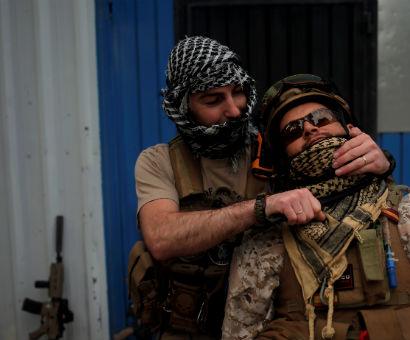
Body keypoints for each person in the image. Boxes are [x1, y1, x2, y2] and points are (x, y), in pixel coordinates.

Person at [129, 37, 392, 339]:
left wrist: (381, 163)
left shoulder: (279, 148)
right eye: (213, 100)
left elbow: (352, 189)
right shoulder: (159, 162)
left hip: (271, 326)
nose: (234, 110)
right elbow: (162, 239)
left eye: (238, 93)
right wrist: (261, 207)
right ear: (183, 106)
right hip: (187, 328)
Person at [222, 74, 410, 340]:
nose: (309, 128)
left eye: (321, 118)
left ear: (349, 129)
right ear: (282, 157)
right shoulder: (266, 241)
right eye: (292, 130)